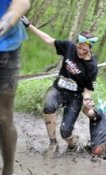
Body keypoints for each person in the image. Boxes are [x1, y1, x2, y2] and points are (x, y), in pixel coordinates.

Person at [21, 16, 99, 152]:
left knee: (65, 131)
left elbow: (88, 88)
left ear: (90, 49)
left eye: (84, 50)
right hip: (58, 89)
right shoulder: (69, 47)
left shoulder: (92, 66)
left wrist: (87, 99)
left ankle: (73, 143)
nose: (80, 52)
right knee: (49, 106)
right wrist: (29, 26)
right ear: (76, 44)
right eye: (79, 48)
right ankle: (53, 143)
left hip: (75, 96)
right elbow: (48, 40)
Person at [0, 0, 30, 174]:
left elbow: (22, 3)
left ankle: (8, 169)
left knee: (3, 116)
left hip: (6, 47)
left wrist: (4, 24)